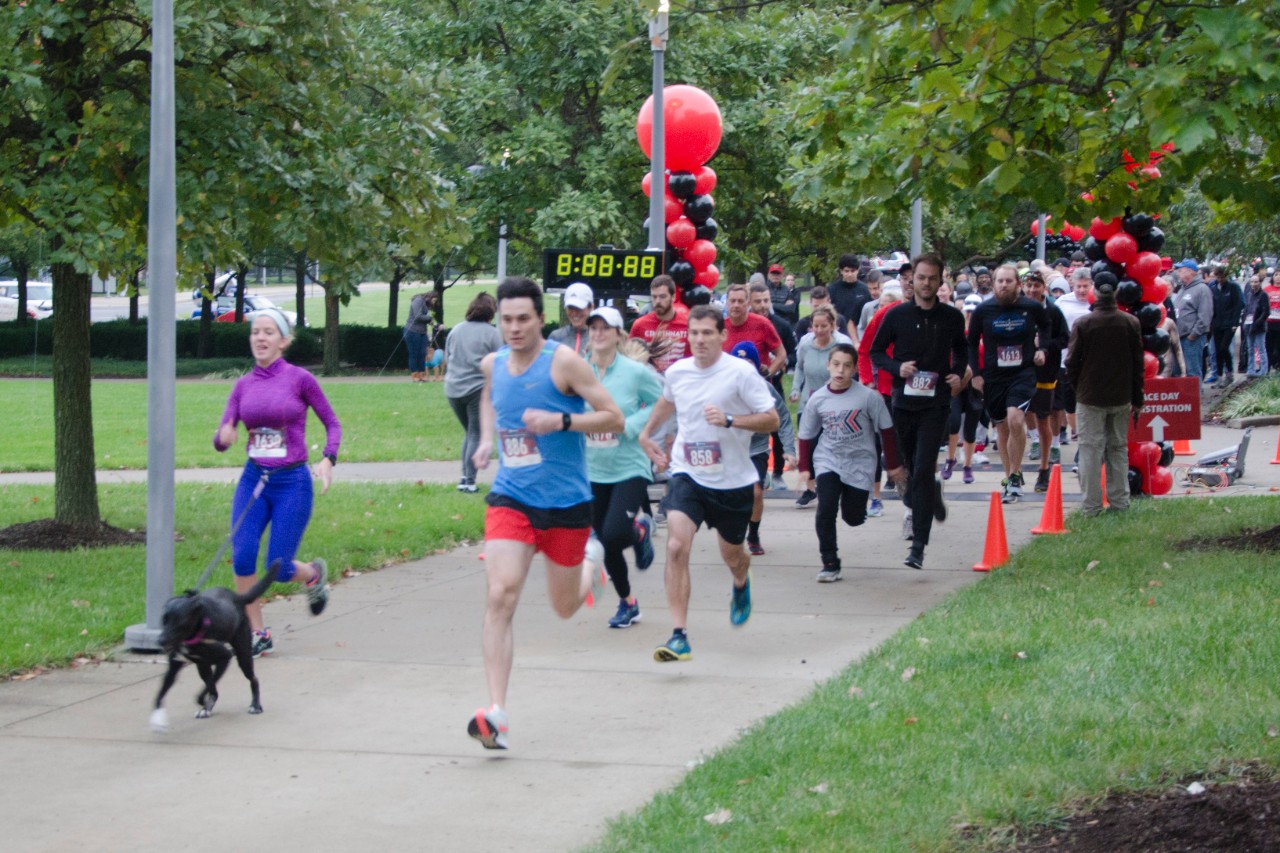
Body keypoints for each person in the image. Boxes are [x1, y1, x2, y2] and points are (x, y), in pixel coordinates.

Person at [466, 277, 625, 750]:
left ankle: (591, 566)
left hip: (566, 505)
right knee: (501, 595)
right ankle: (497, 713)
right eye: (506, 319)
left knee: (563, 607)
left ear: (540, 319)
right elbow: (489, 398)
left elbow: (613, 416)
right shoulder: (493, 364)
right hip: (512, 497)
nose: (513, 328)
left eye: (522, 319)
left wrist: (563, 421)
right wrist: (486, 440)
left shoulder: (564, 364)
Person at [638, 305, 779, 662]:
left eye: (706, 333)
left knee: (732, 555)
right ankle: (679, 635)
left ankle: (741, 583)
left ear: (721, 336)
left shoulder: (741, 373)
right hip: (688, 473)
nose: (699, 340)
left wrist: (731, 420)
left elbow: (772, 419)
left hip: (732, 481)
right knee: (675, 547)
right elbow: (667, 402)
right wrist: (646, 433)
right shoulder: (678, 371)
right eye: (694, 333)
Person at [213, 309, 340, 657]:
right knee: (242, 556)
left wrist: (328, 458)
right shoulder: (243, 386)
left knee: (280, 568)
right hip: (255, 481)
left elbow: (332, 423)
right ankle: (258, 633)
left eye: (269, 332)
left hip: (292, 483)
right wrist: (223, 436)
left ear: (283, 341)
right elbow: (223, 436)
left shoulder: (300, 379)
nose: (261, 338)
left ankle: (312, 574)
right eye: (256, 332)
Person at [870, 253, 967, 569]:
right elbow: (876, 353)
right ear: (912, 281)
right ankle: (929, 494)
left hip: (935, 405)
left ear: (941, 281)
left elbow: (962, 353)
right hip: (903, 405)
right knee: (911, 477)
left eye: (932, 278)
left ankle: (919, 547)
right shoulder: (896, 315)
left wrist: (956, 372)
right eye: (920, 278)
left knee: (924, 469)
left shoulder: (952, 318)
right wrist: (898, 368)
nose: (926, 283)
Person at [583, 306, 664, 629]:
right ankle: (627, 602)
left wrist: (630, 425)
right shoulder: (580, 371)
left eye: (606, 328)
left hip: (629, 465)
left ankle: (639, 530)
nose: (598, 333)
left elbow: (662, 402)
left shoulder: (634, 372)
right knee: (605, 540)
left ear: (618, 334)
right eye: (593, 328)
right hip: (592, 467)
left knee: (615, 533)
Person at [798, 343, 906, 582]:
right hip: (829, 459)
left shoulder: (868, 397)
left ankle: (857, 510)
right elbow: (806, 434)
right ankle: (830, 562)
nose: (840, 371)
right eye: (836, 364)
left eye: (847, 366)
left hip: (860, 463)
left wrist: (893, 465)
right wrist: (805, 468)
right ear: (828, 365)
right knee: (825, 509)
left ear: (855, 369)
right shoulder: (818, 399)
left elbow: (887, 431)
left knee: (853, 518)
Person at [966, 264, 1052, 504]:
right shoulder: (984, 310)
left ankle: (1015, 476)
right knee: (1001, 428)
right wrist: (976, 373)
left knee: (1016, 418)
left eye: (1008, 281)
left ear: (1017, 284)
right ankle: (1010, 480)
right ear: (994, 284)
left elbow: (1046, 326)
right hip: (993, 375)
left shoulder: (1031, 307)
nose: (1004, 285)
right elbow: (971, 342)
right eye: (1000, 281)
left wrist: (1042, 349)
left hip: (1022, 373)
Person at [1065, 280, 1145, 516]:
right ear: (1116, 294)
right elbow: (1137, 363)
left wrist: (1079, 386)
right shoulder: (1130, 322)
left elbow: (1071, 362)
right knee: (1118, 449)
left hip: (1090, 396)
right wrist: (1137, 397)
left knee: (1090, 450)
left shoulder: (1084, 323)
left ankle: (1091, 506)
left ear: (1095, 294)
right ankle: (1120, 502)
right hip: (1120, 395)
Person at [729, 341, 796, 555]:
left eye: (748, 363)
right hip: (730, 449)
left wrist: (789, 450)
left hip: (756, 448)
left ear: (756, 367)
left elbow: (784, 417)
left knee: (756, 493)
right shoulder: (721, 387)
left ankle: (754, 534)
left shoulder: (763, 388)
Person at [444, 291, 503, 493]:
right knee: (476, 433)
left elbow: (448, 355)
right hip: (477, 389)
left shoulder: (456, 330)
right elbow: (501, 362)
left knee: (470, 433)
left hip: (452, 389)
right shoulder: (492, 333)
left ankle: (464, 476)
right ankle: (468, 481)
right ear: (491, 312)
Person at [1020, 271, 1069, 493]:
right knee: (1015, 417)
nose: (1032, 290)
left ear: (1043, 288)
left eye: (1036, 286)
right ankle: (1014, 471)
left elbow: (1065, 339)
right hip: (1019, 372)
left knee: (1043, 417)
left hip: (1046, 372)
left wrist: (1045, 346)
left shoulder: (1053, 311)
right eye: (1028, 285)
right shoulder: (1016, 308)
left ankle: (1044, 468)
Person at [748, 281, 796, 488]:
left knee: (776, 425)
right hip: (744, 386)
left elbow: (792, 353)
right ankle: (756, 469)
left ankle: (777, 472)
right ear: (750, 302)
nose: (763, 305)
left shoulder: (781, 325)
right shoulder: (745, 323)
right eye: (758, 301)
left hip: (771, 382)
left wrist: (780, 366)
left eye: (766, 300)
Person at [628, 274, 690, 374]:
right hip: (649, 381)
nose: (657, 301)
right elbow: (629, 357)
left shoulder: (687, 324)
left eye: (662, 296)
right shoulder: (640, 324)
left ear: (673, 297)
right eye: (654, 297)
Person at [723, 283, 786, 376]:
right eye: (732, 301)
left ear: (748, 303)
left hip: (756, 385)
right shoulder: (720, 327)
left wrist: (767, 376)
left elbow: (781, 354)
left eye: (740, 301)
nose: (736, 305)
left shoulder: (762, 324)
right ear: (727, 303)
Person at [1172, 259, 1213, 384]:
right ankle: (1182, 401)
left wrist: (1193, 334)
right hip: (1179, 337)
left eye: (1180, 270)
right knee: (1178, 371)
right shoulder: (1182, 289)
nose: (1178, 273)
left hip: (1191, 338)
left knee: (1192, 372)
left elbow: (1205, 315)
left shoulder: (1202, 289)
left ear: (1190, 271)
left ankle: (1196, 401)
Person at [1208, 265, 1243, 387]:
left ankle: (1229, 373)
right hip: (1217, 324)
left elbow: (1239, 305)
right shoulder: (1213, 288)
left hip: (1229, 324)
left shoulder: (1233, 287)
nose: (1220, 279)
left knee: (1224, 348)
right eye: (1218, 277)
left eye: (1222, 277)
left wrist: (1235, 323)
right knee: (1217, 351)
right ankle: (1219, 376)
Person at [828, 253, 873, 342]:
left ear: (858, 270)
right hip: (838, 335)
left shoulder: (865, 290)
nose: (849, 274)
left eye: (853, 271)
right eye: (846, 271)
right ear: (841, 271)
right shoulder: (832, 289)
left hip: (859, 334)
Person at [548, 281, 594, 356]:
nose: (574, 313)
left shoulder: (599, 338)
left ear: (591, 307)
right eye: (570, 307)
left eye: (579, 308)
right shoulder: (556, 337)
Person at [403, 291, 438, 382]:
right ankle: (415, 376)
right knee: (414, 354)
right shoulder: (418, 301)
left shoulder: (426, 304)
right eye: (434, 300)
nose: (434, 303)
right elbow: (418, 316)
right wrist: (429, 318)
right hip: (412, 331)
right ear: (430, 297)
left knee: (422, 354)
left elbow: (424, 318)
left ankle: (421, 376)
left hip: (422, 332)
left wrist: (433, 323)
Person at [1243, 272, 1270, 376]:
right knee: (1250, 349)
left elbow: (1266, 311)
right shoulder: (1249, 295)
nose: (1254, 284)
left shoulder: (1263, 295)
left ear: (1260, 282)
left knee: (1261, 349)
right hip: (1249, 325)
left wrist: (1257, 322)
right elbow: (1247, 309)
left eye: (1256, 282)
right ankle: (1251, 369)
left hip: (1259, 326)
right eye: (1252, 282)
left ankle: (1263, 370)